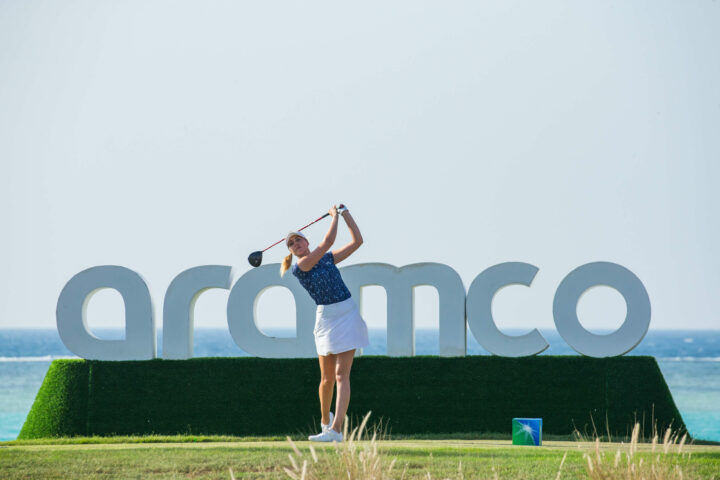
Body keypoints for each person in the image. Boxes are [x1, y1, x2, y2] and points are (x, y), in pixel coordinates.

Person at [280, 204, 369, 442]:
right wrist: (333, 217)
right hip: (327, 319)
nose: (296, 244)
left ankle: (337, 431)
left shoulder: (328, 260)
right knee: (327, 378)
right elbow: (328, 241)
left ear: (307, 242)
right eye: (292, 243)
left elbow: (358, 241)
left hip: (347, 313)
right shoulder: (300, 267)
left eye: (299, 240)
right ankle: (325, 423)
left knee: (342, 374)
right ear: (292, 251)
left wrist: (345, 213)